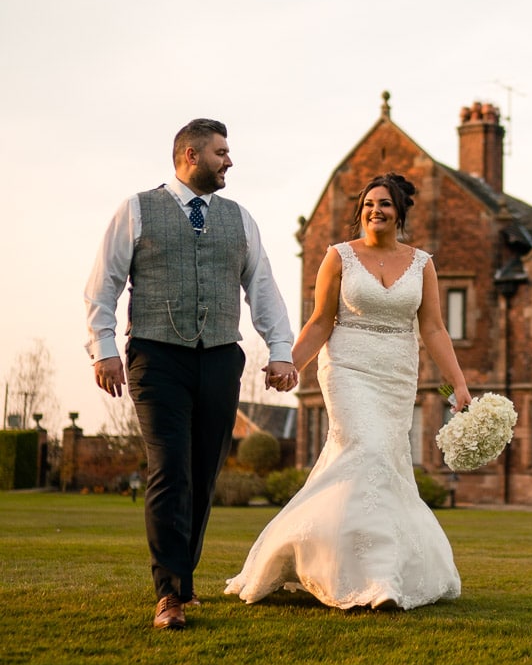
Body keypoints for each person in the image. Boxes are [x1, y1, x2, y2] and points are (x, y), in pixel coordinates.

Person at [85, 118, 298, 631]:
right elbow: (103, 284)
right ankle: (169, 595)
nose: (229, 161)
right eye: (221, 152)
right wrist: (104, 349)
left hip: (221, 356)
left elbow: (262, 288)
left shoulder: (240, 219)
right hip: (156, 357)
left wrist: (281, 349)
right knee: (169, 470)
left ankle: (184, 579)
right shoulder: (136, 209)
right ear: (189, 154)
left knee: (203, 473)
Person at [225, 172, 469, 610]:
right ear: (360, 212)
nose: (376, 210)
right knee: (368, 449)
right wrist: (290, 364)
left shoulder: (421, 263)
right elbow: (321, 320)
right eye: (369, 204)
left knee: (383, 465)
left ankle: (361, 566)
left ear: (399, 214)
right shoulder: (338, 257)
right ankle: (376, 581)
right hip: (347, 367)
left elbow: (433, 328)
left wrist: (460, 386)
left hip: (396, 372)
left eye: (386, 204)